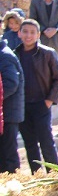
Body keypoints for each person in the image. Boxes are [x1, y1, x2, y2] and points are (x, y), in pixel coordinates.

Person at [14, 19, 58, 174]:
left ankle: (54, 176)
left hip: (41, 104)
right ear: (19, 33)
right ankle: (37, 175)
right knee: (29, 143)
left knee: (46, 141)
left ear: (38, 35)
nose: (28, 35)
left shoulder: (47, 53)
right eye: (25, 32)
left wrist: (49, 100)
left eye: (32, 32)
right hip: (22, 106)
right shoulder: (15, 54)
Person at [0, 36, 23, 173]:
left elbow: (10, 84)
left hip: (8, 114)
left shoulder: (5, 56)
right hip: (4, 114)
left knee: (8, 154)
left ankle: (13, 181)